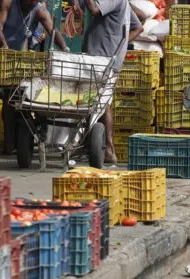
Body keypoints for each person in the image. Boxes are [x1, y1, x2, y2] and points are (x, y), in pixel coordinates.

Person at [0, 0, 68, 151]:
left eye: (35, 2)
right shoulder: (8, 3)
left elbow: (53, 31)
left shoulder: (39, 11)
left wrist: (65, 48)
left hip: (11, 58)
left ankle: (9, 145)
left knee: (10, 97)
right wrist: (4, 46)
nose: (31, 4)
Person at [80, 0, 143, 163]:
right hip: (106, 57)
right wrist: (120, 44)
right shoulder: (123, 3)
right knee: (102, 100)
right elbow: (139, 26)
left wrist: (118, 45)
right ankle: (101, 147)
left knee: (103, 101)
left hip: (103, 58)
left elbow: (94, 9)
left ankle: (108, 149)